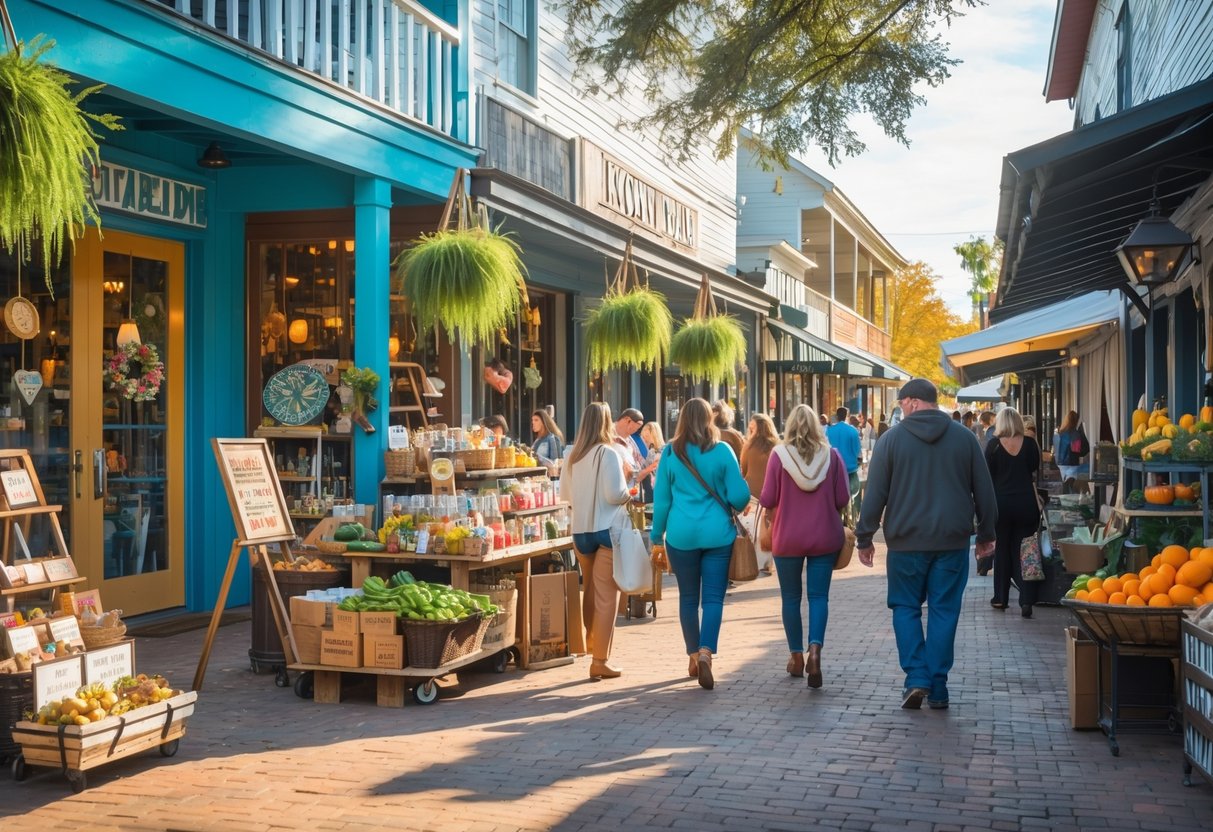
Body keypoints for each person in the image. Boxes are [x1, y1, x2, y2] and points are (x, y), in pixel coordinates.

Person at [855, 378, 998, 710]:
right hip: (951, 540)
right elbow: (984, 490)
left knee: (905, 607)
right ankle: (938, 685)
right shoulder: (965, 439)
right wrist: (987, 534)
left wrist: (865, 536)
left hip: (906, 542)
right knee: (944, 610)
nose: (901, 409)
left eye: (903, 403)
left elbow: (874, 494)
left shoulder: (891, 441)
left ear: (912, 402)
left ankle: (917, 676)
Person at [650, 398, 751, 690]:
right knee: (713, 599)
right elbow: (740, 497)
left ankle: (693, 655)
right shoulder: (722, 450)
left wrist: (657, 536)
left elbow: (662, 501)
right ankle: (707, 651)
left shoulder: (671, 452)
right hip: (717, 535)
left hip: (681, 537)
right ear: (710, 419)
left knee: (688, 598)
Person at [759, 405, 849, 688]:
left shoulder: (779, 455)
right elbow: (843, 498)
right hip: (824, 535)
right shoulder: (832, 456)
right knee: (819, 597)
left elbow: (767, 497)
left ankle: (796, 656)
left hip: (787, 537)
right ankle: (815, 650)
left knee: (790, 598)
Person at [563, 402, 632, 679]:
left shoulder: (572, 455)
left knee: (589, 589)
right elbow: (615, 494)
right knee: (607, 596)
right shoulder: (609, 453)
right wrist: (630, 489)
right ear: (606, 423)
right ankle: (600, 660)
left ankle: (591, 644)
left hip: (580, 531)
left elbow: (565, 495)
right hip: (605, 529)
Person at [985, 407, 1042, 618]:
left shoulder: (993, 446)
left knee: (1002, 550)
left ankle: (1000, 598)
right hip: (1026, 504)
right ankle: (1027, 599)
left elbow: (986, 476)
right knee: (1026, 551)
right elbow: (1034, 468)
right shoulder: (1029, 444)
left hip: (1001, 505)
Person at [740, 413, 779, 575]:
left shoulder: (748, 447)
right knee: (771, 527)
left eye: (751, 428)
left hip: (752, 494)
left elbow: (744, 469)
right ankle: (768, 562)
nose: (749, 430)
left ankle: (757, 561)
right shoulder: (777, 446)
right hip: (772, 493)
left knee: (753, 530)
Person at [825, 406, 862, 523]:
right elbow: (858, 453)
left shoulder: (829, 431)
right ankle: (853, 520)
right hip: (850, 470)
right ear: (847, 416)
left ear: (836, 416)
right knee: (854, 495)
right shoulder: (853, 431)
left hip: (833, 470)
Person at [1054, 410, 1089, 488]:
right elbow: (1076, 449)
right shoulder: (1075, 433)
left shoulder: (1061, 432)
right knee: (1070, 487)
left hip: (1061, 464)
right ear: (1076, 421)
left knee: (1064, 486)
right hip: (1071, 464)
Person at [638, 421, 666, 501]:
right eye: (643, 437)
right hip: (653, 491)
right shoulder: (651, 452)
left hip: (661, 491)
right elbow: (644, 468)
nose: (644, 440)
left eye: (646, 436)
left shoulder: (665, 451)